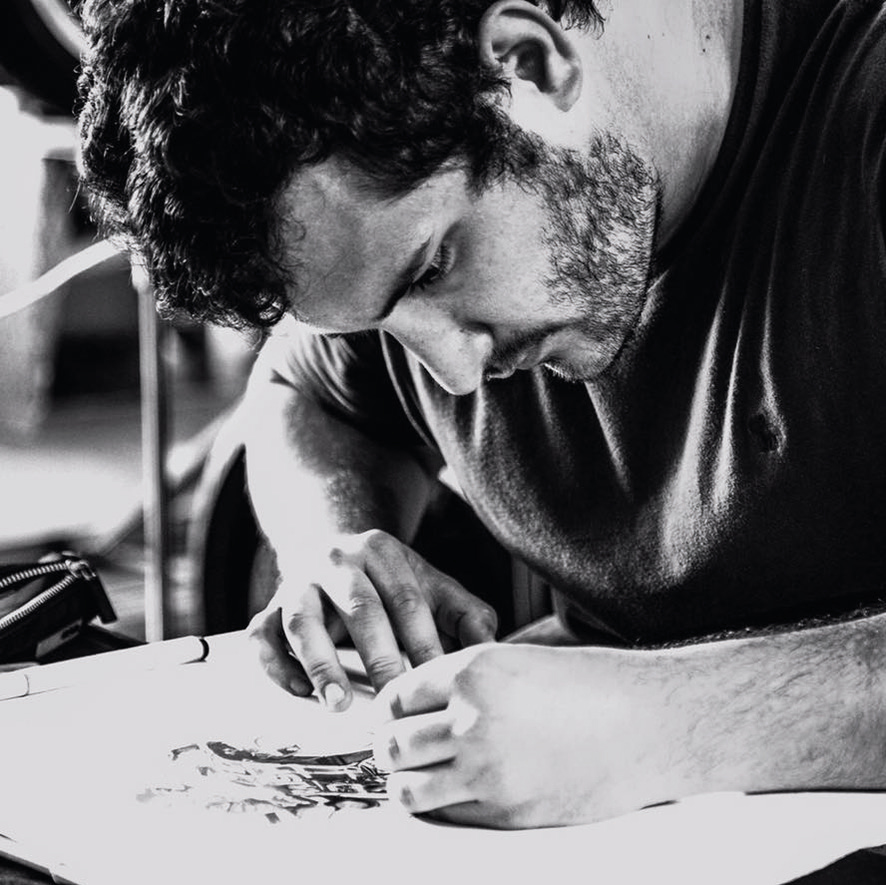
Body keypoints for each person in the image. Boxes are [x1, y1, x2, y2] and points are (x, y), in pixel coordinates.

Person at [77, 0, 886, 829]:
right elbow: (302, 388)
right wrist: (335, 545)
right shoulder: (392, 207)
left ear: (527, 61)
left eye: (433, 269)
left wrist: (667, 721)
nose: (455, 375)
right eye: (376, 324)